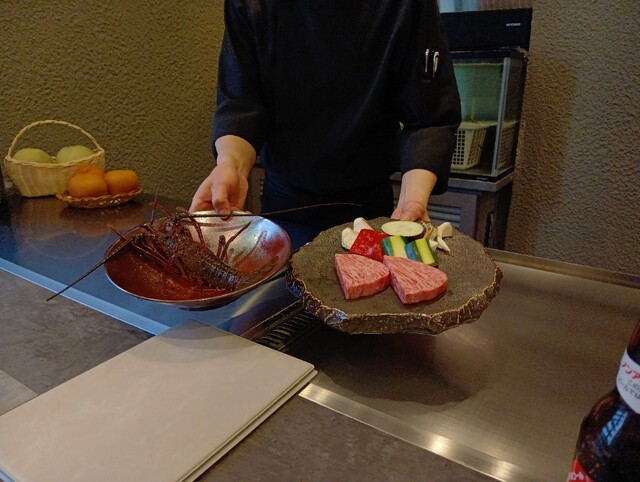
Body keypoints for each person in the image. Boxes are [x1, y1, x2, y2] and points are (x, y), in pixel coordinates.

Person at [190, 0, 461, 248]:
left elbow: (428, 116)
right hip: (283, 210)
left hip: (368, 212)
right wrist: (231, 166)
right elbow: (241, 102)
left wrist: (411, 201)